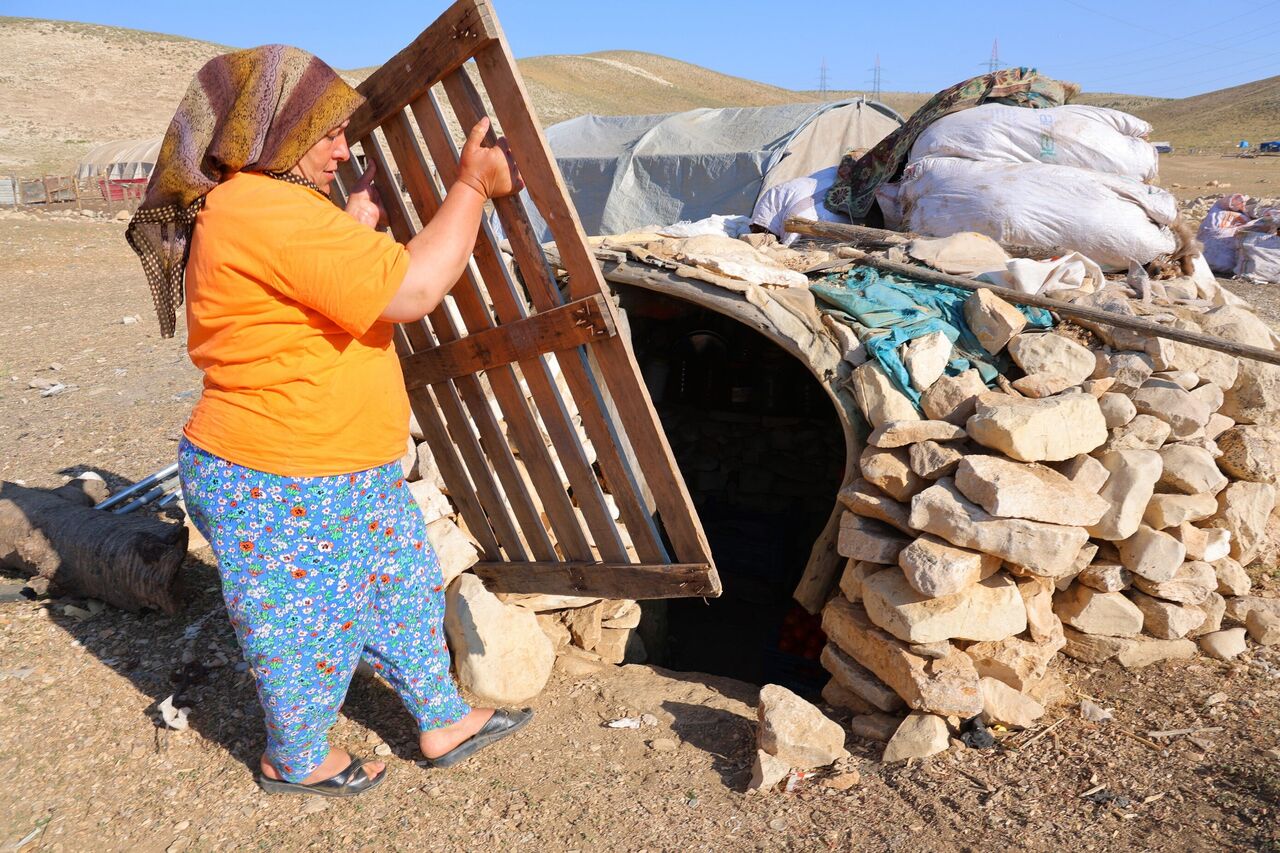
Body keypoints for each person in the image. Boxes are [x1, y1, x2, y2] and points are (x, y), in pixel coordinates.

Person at [127, 44, 530, 798]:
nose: (344, 150)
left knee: (402, 585)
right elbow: (412, 289)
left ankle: (441, 717)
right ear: (274, 131)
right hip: (280, 471)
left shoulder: (267, 207)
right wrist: (472, 186)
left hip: (338, 465)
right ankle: (296, 758)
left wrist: (350, 223)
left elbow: (298, 286)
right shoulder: (262, 206)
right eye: (329, 133)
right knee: (304, 628)